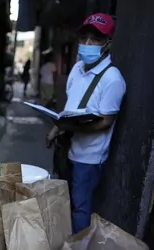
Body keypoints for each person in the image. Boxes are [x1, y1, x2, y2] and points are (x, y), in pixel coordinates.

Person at [47, 13, 126, 234]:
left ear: (107, 43)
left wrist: (70, 127)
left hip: (89, 157)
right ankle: (64, 244)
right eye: (84, 38)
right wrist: (57, 126)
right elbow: (71, 106)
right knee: (63, 201)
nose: (88, 44)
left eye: (96, 39)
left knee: (81, 209)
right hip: (69, 149)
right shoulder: (77, 69)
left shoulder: (113, 79)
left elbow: (105, 122)